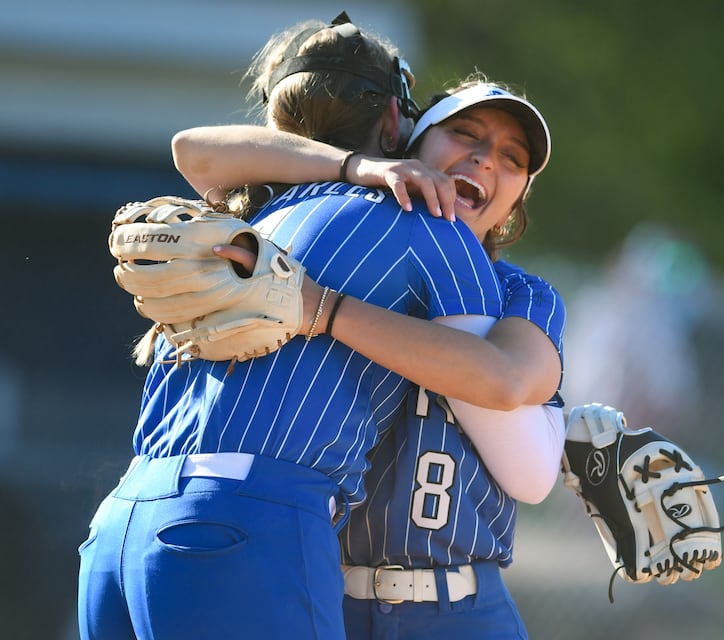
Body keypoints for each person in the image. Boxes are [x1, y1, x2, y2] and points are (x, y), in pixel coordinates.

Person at [77, 15, 505, 640]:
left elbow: (190, 148)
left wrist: (353, 166)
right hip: (243, 524)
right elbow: (499, 385)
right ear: (394, 116)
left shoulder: (250, 217)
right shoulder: (425, 220)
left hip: (120, 527)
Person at [173, 75, 567, 638]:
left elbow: (513, 383)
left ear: (518, 195)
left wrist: (324, 309)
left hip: (461, 605)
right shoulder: (352, 230)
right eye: (465, 134)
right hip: (321, 596)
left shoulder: (518, 293)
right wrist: (358, 166)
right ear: (412, 144)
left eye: (512, 158)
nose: (483, 160)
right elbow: (193, 151)